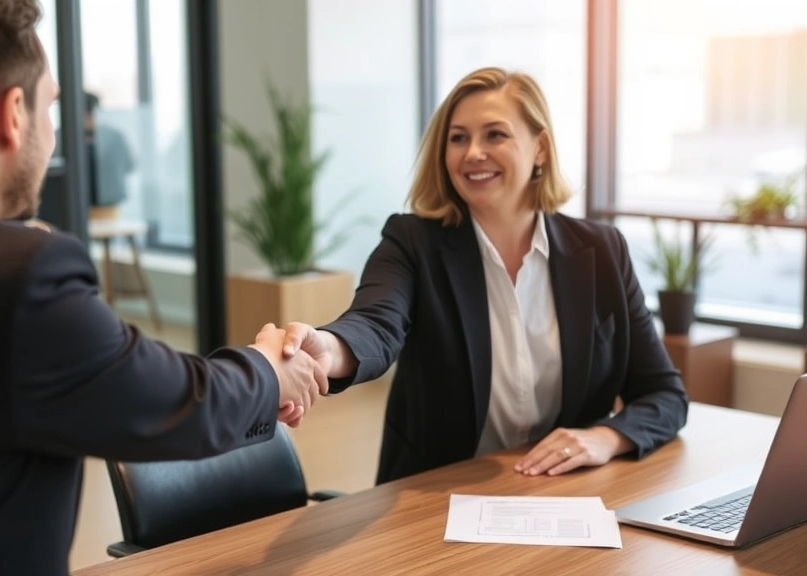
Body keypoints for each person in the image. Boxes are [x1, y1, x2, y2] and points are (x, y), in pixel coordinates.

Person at [0, 1, 325, 575]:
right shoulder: (15, 276)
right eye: (50, 105)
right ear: (12, 113)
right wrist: (270, 367)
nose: (52, 131)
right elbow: (174, 404)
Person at [279, 67, 689, 484]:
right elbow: (374, 324)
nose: (473, 152)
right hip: (434, 500)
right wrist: (327, 348)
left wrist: (606, 437)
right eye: (458, 138)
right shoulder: (412, 241)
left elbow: (664, 395)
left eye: (495, 134)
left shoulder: (601, 251)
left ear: (541, 148)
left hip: (560, 496)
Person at [83, 91, 134, 220]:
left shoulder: (113, 137)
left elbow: (129, 165)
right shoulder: (62, 136)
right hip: (78, 203)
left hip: (107, 206)